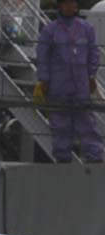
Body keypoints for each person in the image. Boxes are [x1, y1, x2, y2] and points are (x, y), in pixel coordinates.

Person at [35, 0, 103, 163]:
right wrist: (44, 80)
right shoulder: (50, 30)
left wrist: (91, 76)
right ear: (60, 6)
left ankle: (95, 157)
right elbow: (42, 57)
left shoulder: (86, 28)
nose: (68, 7)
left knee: (87, 124)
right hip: (58, 87)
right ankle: (62, 159)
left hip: (81, 86)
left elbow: (93, 54)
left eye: (71, 3)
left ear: (76, 6)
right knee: (60, 125)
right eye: (65, 3)